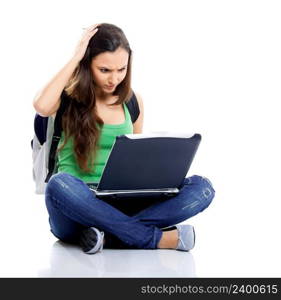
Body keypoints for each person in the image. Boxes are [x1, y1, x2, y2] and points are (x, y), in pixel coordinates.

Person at [33, 23, 215, 254]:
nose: (114, 79)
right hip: (75, 203)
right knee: (59, 184)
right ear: (87, 64)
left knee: (203, 188)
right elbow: (41, 105)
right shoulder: (66, 98)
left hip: (122, 202)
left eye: (122, 69)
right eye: (105, 70)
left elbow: (136, 159)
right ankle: (154, 238)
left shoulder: (132, 101)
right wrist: (76, 56)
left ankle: (106, 237)